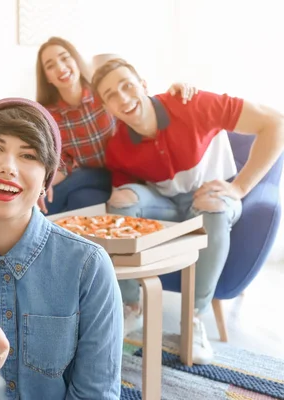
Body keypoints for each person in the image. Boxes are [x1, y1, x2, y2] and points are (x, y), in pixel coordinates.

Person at [0, 98, 123, 399]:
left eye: (28, 155)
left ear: (46, 181)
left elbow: (96, 393)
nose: (8, 166)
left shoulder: (89, 266)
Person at [91, 58, 284, 364]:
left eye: (127, 85)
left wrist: (240, 189)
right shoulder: (119, 146)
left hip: (214, 197)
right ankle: (131, 307)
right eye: (111, 95)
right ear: (107, 108)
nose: (123, 98)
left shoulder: (192, 104)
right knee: (121, 199)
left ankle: (193, 320)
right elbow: (124, 202)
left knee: (211, 205)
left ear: (143, 85)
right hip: (168, 204)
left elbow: (275, 122)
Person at [36, 37, 196, 215]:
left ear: (76, 60)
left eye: (65, 58)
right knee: (80, 199)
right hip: (98, 182)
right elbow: (63, 164)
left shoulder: (104, 93)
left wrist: (174, 92)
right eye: (50, 66)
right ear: (47, 78)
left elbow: (140, 104)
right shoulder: (50, 116)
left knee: (81, 178)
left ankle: (39, 215)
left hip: (128, 173)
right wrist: (42, 183)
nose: (60, 67)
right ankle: (40, 217)